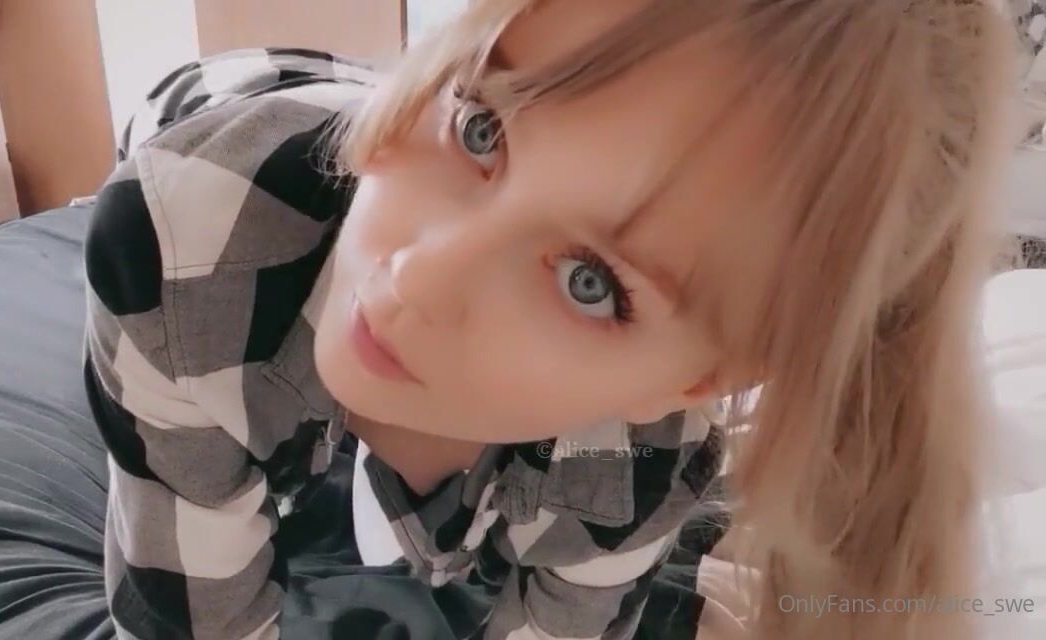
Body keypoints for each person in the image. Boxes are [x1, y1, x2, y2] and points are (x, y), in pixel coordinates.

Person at [81, 1, 1020, 638]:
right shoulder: (180, 244)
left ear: (697, 380)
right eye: (484, 128)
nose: (418, 275)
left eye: (589, 283)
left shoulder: (645, 465)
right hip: (244, 111)